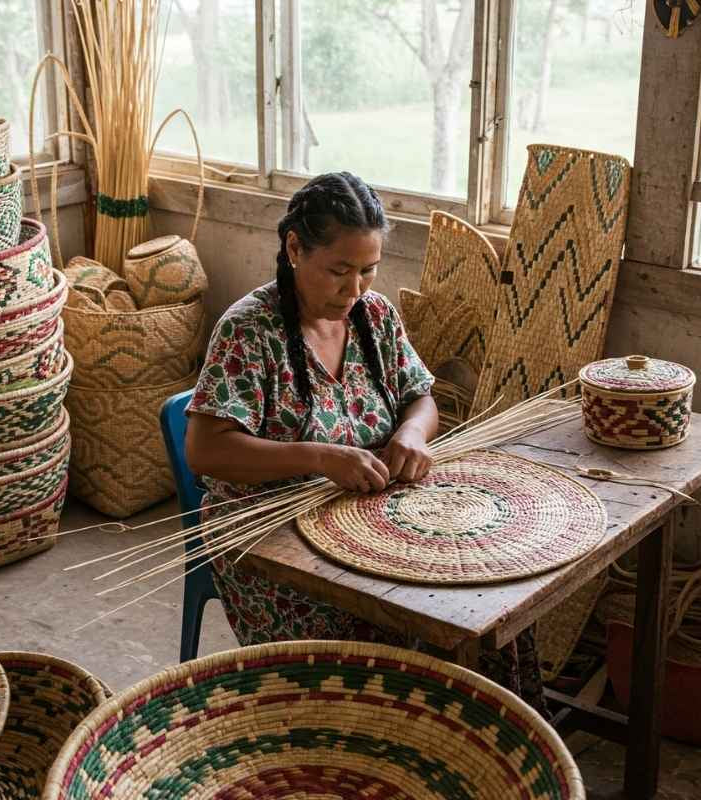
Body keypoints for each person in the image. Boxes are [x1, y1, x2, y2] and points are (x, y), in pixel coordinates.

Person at [185, 171, 546, 714]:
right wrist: (319, 457)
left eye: (367, 271)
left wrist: (410, 434)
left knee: (482, 603)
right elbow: (206, 449)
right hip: (272, 545)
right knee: (389, 638)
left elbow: (423, 399)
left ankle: (483, 750)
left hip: (374, 519)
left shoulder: (373, 317)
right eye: (338, 271)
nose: (354, 289)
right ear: (294, 248)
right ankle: (390, 745)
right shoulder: (249, 332)